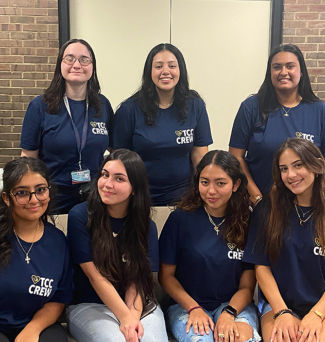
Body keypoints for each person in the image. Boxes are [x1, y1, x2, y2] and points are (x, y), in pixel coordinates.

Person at [66, 149, 168, 342]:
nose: (107, 184)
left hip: (138, 305)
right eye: (105, 175)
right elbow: (94, 276)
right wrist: (125, 318)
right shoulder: (80, 216)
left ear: (135, 188)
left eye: (119, 179)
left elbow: (137, 280)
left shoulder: (146, 225)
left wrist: (132, 318)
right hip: (89, 304)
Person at [159, 150, 261, 342]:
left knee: (237, 338)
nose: (211, 190)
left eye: (220, 183)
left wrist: (229, 313)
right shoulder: (179, 219)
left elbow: (248, 285)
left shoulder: (248, 221)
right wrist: (194, 309)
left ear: (236, 184)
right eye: (204, 182)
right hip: (187, 305)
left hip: (233, 305)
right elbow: (166, 277)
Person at [244, 138, 325, 342]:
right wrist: (282, 312)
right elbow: (261, 268)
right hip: (278, 304)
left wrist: (316, 315)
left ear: (317, 165)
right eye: (284, 168)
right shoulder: (267, 210)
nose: (291, 175)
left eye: (298, 165)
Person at [20, 38, 114, 214]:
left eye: (84, 59)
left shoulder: (102, 105)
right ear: (60, 65)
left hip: (96, 196)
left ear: (92, 67)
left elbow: (115, 151)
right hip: (53, 197)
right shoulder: (40, 106)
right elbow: (28, 158)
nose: (77, 65)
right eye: (70, 58)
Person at [112, 43, 213, 206]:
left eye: (172, 66)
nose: (166, 71)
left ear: (180, 70)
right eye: (158, 66)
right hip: (140, 199)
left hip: (184, 199)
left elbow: (199, 157)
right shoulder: (129, 109)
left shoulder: (195, 106)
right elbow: (118, 161)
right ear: (149, 71)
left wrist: (203, 195)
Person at [229, 43, 325, 205]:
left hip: (306, 206)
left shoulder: (319, 110)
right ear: (270, 72)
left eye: (290, 66)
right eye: (277, 67)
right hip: (258, 203)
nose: (283, 72)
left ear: (301, 72)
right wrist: (256, 198)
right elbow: (235, 157)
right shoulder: (251, 107)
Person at [0, 157, 73, 342]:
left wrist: (33, 329)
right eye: (22, 193)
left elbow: (58, 299)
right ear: (6, 198)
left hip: (36, 323)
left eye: (40, 190)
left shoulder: (58, 242)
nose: (34, 200)